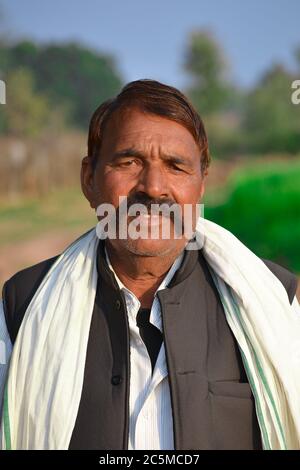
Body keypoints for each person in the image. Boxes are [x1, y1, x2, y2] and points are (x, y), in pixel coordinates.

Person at [0, 79, 299, 450]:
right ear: (89, 179)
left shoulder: (271, 301)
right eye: (129, 162)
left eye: (176, 166)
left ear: (201, 185)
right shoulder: (23, 307)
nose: (153, 187)